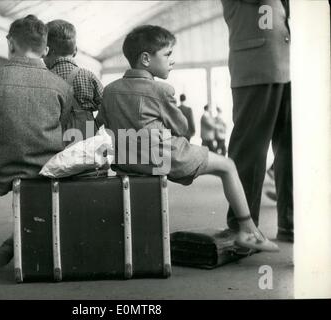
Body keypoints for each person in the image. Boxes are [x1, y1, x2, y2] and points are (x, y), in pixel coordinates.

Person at [98, 25, 279, 252]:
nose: (171, 61)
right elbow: (182, 128)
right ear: (146, 58)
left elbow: (104, 124)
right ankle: (248, 230)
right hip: (164, 158)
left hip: (128, 161)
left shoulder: (110, 90)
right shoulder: (162, 90)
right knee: (228, 166)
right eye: (167, 54)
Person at [0, 15, 74, 271]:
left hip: (0, 166)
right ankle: (18, 239)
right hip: (45, 170)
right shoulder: (62, 86)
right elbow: (61, 124)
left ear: (10, 43)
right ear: (46, 49)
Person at [221, 0, 293, 242]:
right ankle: (242, 227)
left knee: (291, 151)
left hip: (291, 66)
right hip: (257, 66)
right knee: (250, 150)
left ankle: (290, 222)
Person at [43, 19, 103, 140]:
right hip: (87, 143)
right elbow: (107, 108)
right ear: (75, 50)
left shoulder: (42, 79)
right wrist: (94, 125)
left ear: (46, 50)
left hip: (55, 146)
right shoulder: (88, 76)